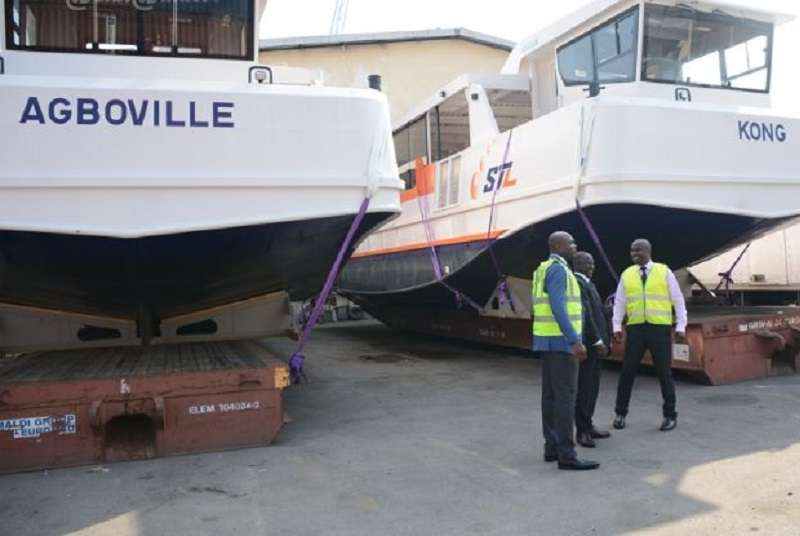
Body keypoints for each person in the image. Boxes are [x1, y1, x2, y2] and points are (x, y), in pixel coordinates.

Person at [532, 231, 598, 471]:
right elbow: (558, 306)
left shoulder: (542, 269)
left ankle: (551, 447)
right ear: (559, 246)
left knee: (549, 397)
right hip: (561, 343)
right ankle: (567, 455)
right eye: (571, 241)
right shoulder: (559, 270)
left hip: (547, 341)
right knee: (565, 398)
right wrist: (574, 340)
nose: (574, 245)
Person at [612, 239, 688, 432]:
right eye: (631, 250)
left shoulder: (664, 272)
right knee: (627, 372)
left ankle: (670, 415)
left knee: (664, 373)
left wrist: (681, 326)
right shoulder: (627, 274)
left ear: (647, 251)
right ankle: (620, 413)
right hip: (636, 329)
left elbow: (678, 300)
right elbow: (619, 302)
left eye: (637, 250)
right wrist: (616, 327)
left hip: (659, 330)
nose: (633, 254)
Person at [573, 252, 611, 448]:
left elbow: (598, 312)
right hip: (589, 345)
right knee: (584, 388)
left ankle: (588, 424)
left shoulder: (589, 283)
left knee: (593, 388)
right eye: (587, 262)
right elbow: (586, 315)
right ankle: (582, 431)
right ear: (577, 264)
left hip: (597, 345)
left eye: (592, 262)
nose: (591, 265)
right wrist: (597, 340)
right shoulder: (578, 284)